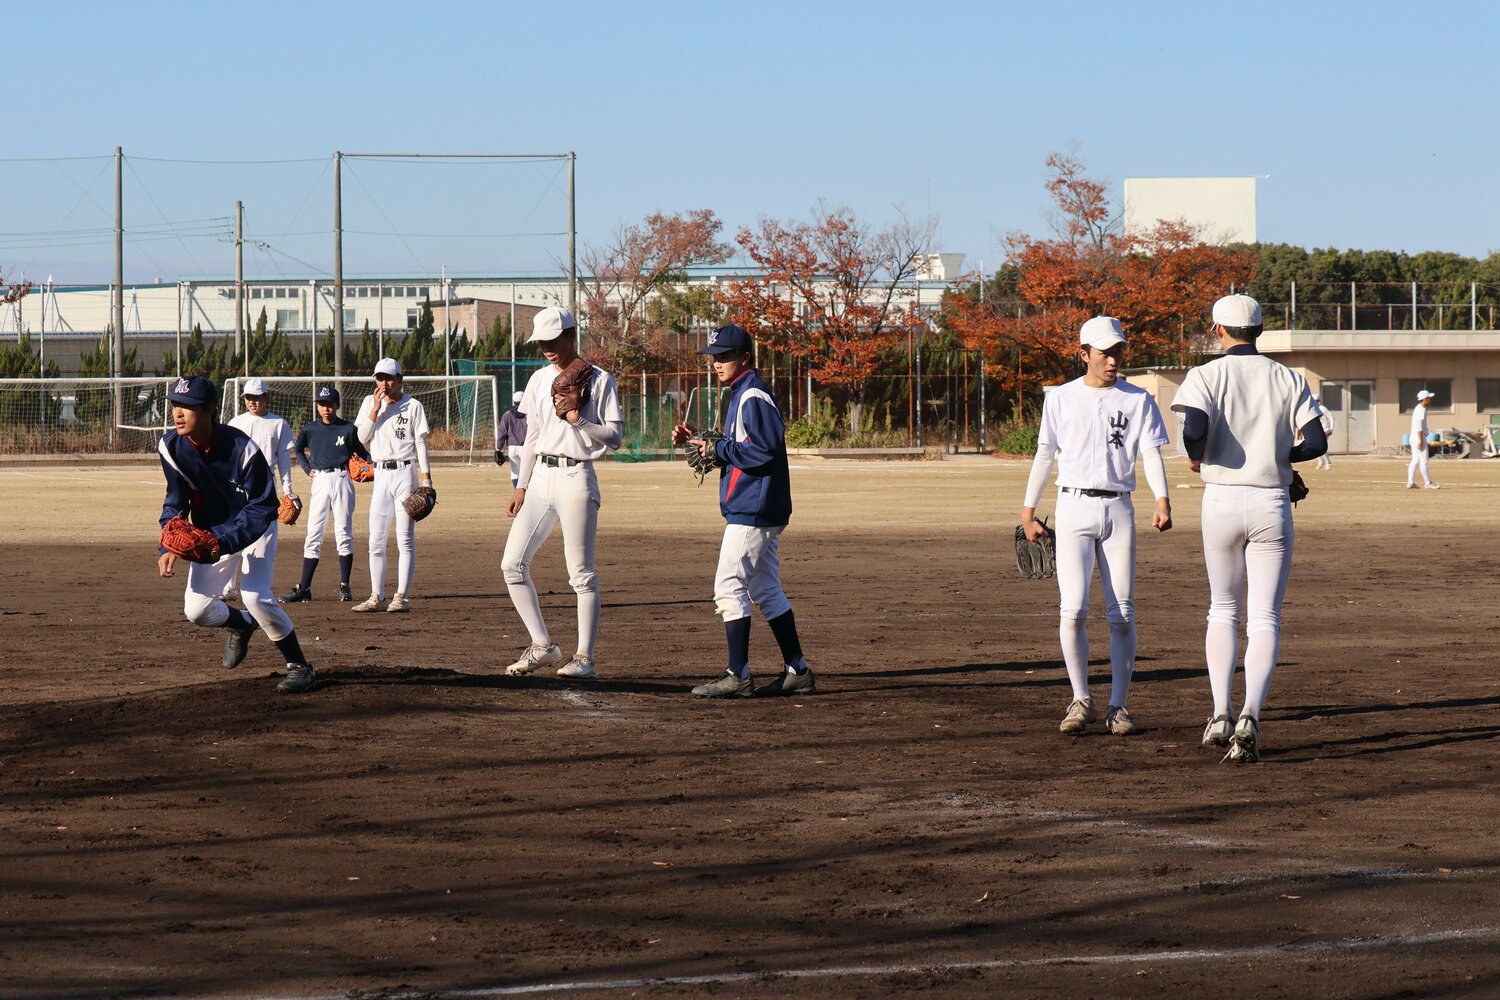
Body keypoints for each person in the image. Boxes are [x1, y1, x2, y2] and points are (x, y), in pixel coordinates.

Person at [1171, 293, 1326, 763]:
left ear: (1218, 329)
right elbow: (1315, 441)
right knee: (1264, 618)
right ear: (1260, 329)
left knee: (1222, 608)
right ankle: (1251, 716)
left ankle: (1219, 711)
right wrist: (1281, 457)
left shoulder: (1204, 375)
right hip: (1270, 503)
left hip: (1220, 500)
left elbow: (1192, 431)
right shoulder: (1287, 377)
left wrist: (1201, 453)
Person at [1019, 316, 1171, 735]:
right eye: (1105, 352)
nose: (1113, 359)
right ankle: (1080, 698)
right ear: (1083, 353)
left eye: (1118, 351)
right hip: (1072, 508)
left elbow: (1151, 453)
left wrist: (1162, 499)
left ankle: (1118, 706)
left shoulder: (1138, 399)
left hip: (1119, 509)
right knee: (1073, 611)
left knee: (1122, 613)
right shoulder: (1061, 398)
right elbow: (1044, 455)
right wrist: (1028, 510)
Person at [673, 324, 814, 698]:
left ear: (745, 358)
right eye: (714, 357)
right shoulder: (741, 393)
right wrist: (701, 443)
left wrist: (718, 451)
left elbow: (765, 450)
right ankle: (797, 670)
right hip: (758, 505)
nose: (717, 363)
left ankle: (738, 675)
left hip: (754, 507)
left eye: (725, 356)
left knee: (728, 586)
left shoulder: (752, 394)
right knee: (765, 588)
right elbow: (743, 447)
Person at [155, 375, 315, 694]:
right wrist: (167, 542)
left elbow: (261, 507)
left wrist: (223, 543)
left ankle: (299, 667)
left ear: (210, 409)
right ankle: (242, 624)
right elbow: (176, 498)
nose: (178, 413)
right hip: (210, 531)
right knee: (197, 610)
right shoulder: (170, 446)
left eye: (188, 406)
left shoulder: (243, 449)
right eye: (175, 405)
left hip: (254, 527)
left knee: (256, 595)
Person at [501, 306, 623, 679]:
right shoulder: (539, 379)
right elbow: (533, 435)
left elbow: (615, 439)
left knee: (581, 574)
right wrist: (521, 485)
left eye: (554, 341)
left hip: (576, 478)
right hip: (539, 480)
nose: (548, 349)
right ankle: (543, 646)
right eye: (542, 343)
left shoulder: (601, 380)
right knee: (512, 565)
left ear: (572, 335)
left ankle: (584, 657)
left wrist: (578, 419)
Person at [352, 358, 433, 613]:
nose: (383, 383)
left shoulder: (413, 406)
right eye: (379, 378)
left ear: (400, 379)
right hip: (380, 475)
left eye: (389, 378)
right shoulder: (369, 403)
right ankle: (377, 596)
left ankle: (402, 597)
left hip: (405, 473)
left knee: (404, 539)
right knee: (375, 540)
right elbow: (362, 438)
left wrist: (427, 478)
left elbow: (420, 443)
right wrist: (375, 409)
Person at [283, 385, 371, 603]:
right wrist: (306, 469)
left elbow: (364, 454)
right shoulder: (310, 429)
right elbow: (298, 449)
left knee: (343, 532)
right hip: (320, 481)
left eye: (329, 404)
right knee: (314, 533)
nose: (325, 409)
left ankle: (344, 586)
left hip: (342, 479)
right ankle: (304, 587)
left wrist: (370, 466)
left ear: (337, 406)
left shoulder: (348, 429)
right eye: (321, 405)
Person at [222, 377, 297, 603]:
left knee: (264, 538)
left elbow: (284, 460)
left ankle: (259, 588)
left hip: (265, 486)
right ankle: (227, 588)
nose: (253, 402)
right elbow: (227, 458)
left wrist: (288, 490)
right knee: (232, 533)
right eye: (248, 398)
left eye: (257, 398)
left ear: (266, 398)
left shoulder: (278, 424)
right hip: (237, 487)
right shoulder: (236, 423)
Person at [1406, 389, 1439, 489]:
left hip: (1413, 436)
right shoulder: (1420, 409)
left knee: (1415, 460)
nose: (1431, 400)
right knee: (1424, 460)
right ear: (1425, 399)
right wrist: (1421, 440)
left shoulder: (1419, 408)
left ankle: (1410, 482)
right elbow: (1419, 426)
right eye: (1429, 398)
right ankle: (1428, 483)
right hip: (1418, 436)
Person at [495, 390, 529, 489]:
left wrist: (498, 449)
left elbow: (502, 432)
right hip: (526, 447)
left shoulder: (507, 415)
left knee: (515, 473)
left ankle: (517, 492)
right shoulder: (529, 414)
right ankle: (526, 494)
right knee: (528, 473)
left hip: (512, 448)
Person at [1313, 396, 1334, 471]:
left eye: (1316, 400)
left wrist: (1331, 428)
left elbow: (1331, 417)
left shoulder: (1322, 408)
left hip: (1325, 430)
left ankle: (1328, 463)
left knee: (1321, 447)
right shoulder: (1312, 409)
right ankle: (1320, 461)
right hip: (1317, 431)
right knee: (1314, 446)